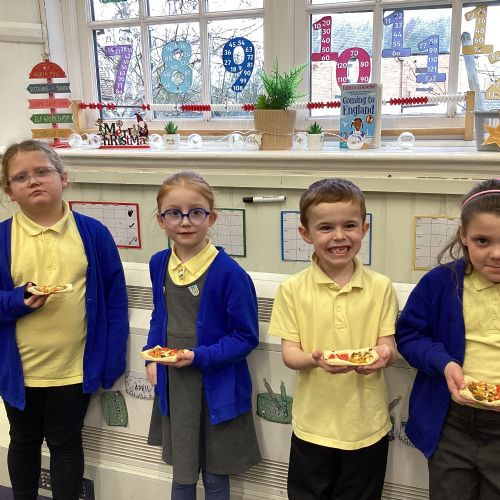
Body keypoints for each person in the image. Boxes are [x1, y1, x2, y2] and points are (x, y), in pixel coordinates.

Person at [0, 139, 129, 500]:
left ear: (63, 178)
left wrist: (112, 360)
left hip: (74, 367)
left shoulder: (93, 234)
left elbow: (115, 301)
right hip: (20, 370)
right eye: (21, 177)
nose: (33, 181)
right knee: (23, 439)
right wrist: (17, 300)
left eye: (42, 171)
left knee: (66, 442)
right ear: (9, 190)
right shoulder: (2, 238)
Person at [269, 178, 399, 500]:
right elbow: (290, 354)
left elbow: (389, 347)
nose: (339, 236)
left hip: (367, 427)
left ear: (364, 229)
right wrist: (315, 359)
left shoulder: (381, 287)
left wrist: (383, 356)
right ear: (306, 234)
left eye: (349, 225)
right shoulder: (292, 289)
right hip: (313, 427)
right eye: (326, 227)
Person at [144, 171, 261, 500]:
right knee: (182, 474)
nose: (185, 222)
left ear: (211, 218)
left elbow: (245, 337)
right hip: (176, 387)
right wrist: (152, 354)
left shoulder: (230, 274)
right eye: (174, 213)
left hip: (216, 389)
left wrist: (199, 357)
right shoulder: (158, 264)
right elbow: (159, 315)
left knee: (214, 475)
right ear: (161, 220)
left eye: (196, 212)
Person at [396, 178, 500, 500]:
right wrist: (444, 363)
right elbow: (410, 335)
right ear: (464, 236)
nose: (496, 254)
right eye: (482, 241)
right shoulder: (440, 283)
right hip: (451, 422)